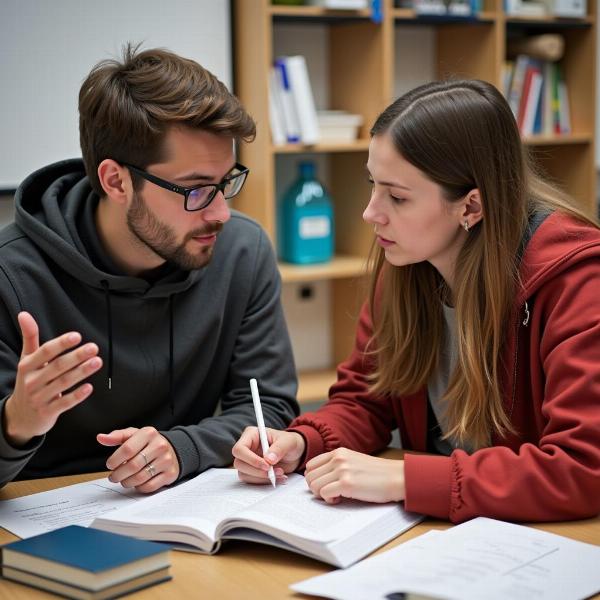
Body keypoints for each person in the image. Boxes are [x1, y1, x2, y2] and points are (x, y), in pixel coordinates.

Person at [233, 79, 600, 523]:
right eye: (373, 184)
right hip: (439, 526)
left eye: (398, 197)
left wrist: (403, 480)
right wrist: (303, 441)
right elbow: (366, 400)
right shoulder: (408, 261)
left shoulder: (578, 281)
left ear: (471, 207)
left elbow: (583, 468)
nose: (371, 212)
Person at [0, 44, 299, 491]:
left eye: (225, 182)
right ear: (116, 181)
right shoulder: (11, 274)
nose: (219, 212)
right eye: (196, 190)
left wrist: (184, 449)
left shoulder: (241, 250)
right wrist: (17, 422)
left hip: (186, 508)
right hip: (45, 524)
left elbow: (267, 410)